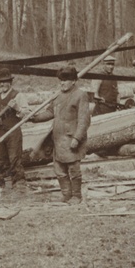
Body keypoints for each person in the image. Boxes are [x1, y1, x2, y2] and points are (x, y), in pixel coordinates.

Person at [31, 66, 91, 204]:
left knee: (73, 169)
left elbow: (84, 120)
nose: (62, 83)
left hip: (71, 139)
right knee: (59, 170)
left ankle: (76, 196)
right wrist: (34, 118)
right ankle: (66, 195)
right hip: (57, 140)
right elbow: (50, 112)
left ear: (74, 81)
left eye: (65, 80)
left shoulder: (80, 95)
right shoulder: (57, 96)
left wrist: (77, 138)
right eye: (60, 80)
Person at [0, 68, 29, 187]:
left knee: (15, 158)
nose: (2, 84)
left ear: (10, 82)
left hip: (13, 132)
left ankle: (20, 184)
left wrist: (17, 107)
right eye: (0, 82)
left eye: (4, 81)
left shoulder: (18, 96)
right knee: (2, 159)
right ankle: (7, 184)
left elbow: (27, 114)